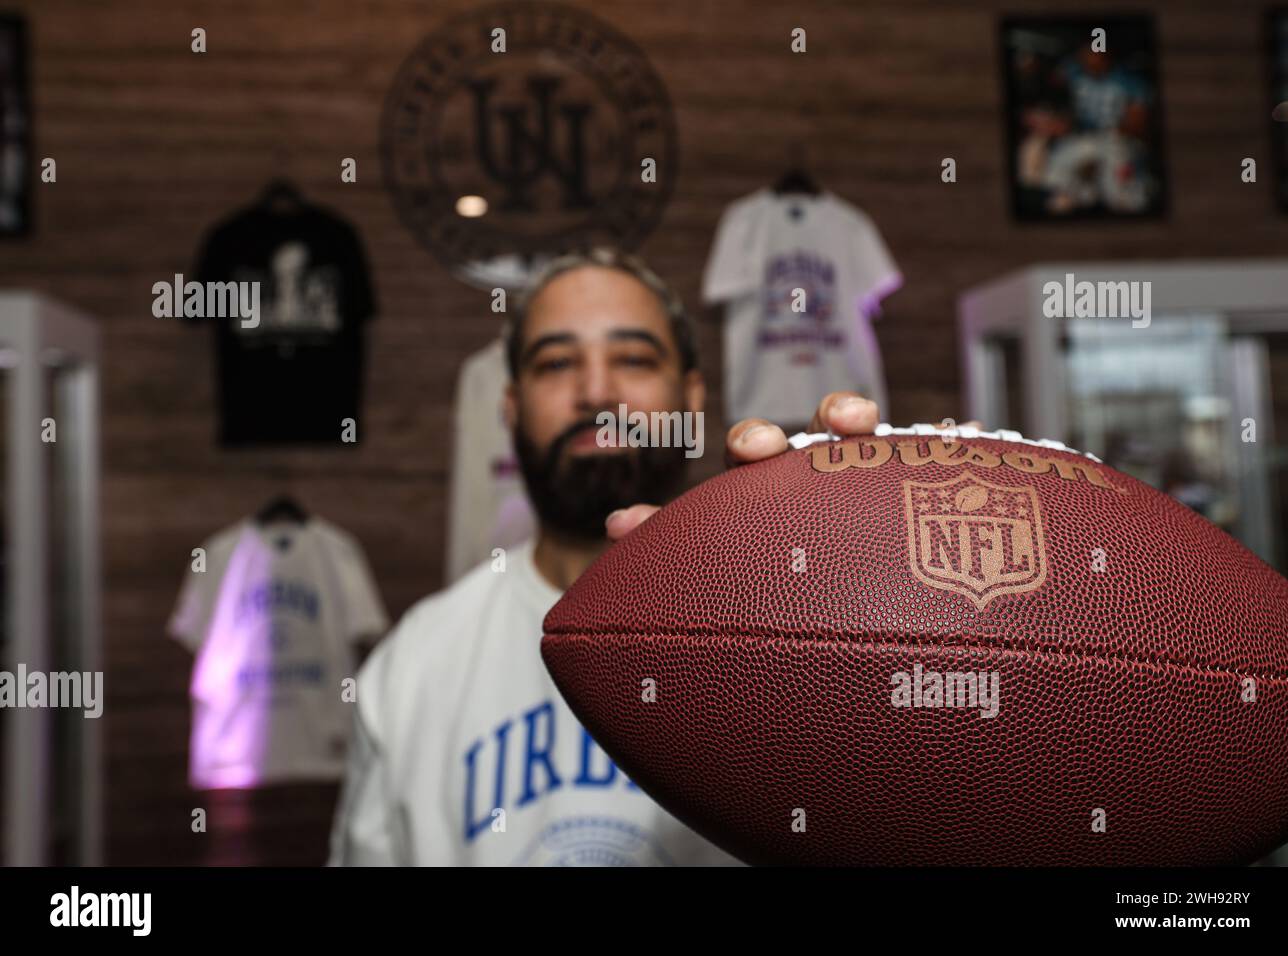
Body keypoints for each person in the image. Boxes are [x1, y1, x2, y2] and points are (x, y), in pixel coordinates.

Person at [328, 247, 884, 865]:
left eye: (634, 358)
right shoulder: (411, 667)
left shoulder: (801, 631)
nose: (596, 392)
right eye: (557, 362)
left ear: (692, 395)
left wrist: (870, 614)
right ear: (510, 407)